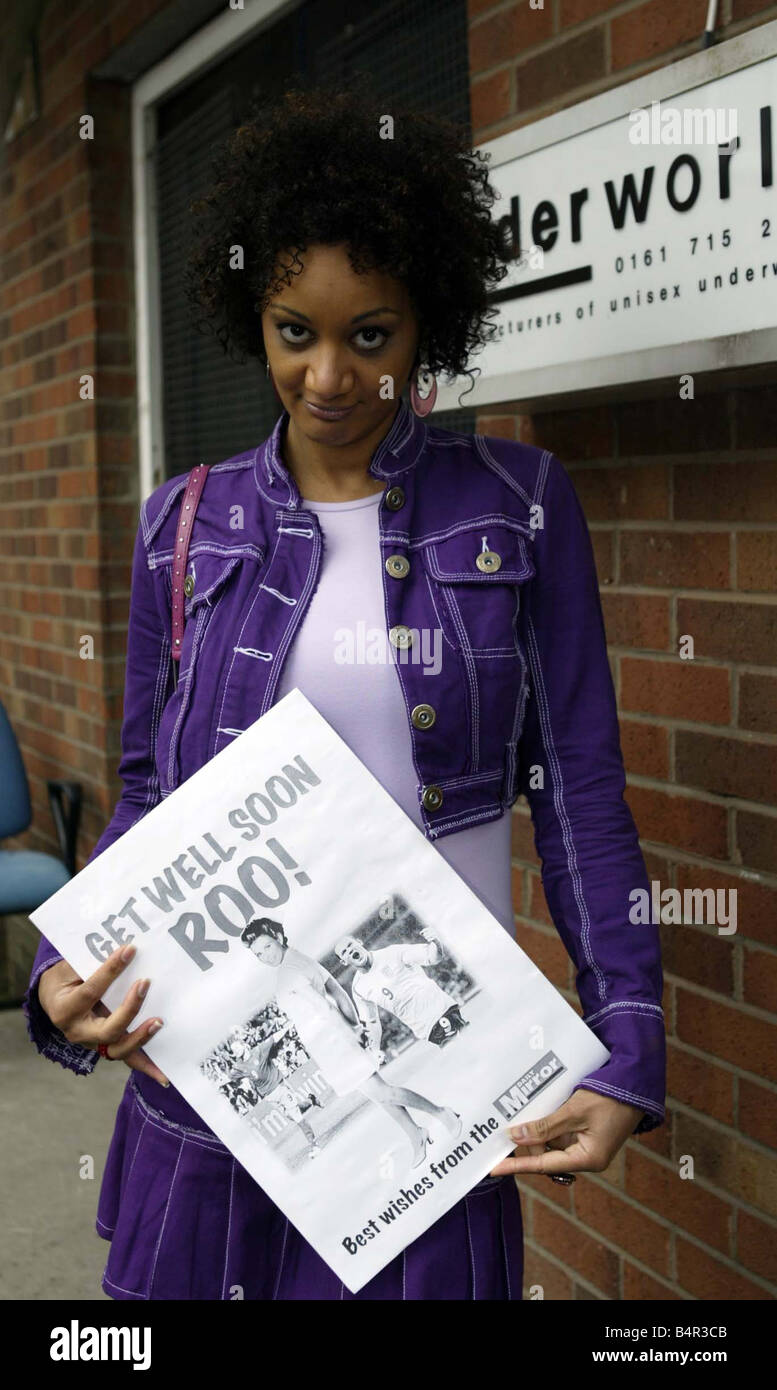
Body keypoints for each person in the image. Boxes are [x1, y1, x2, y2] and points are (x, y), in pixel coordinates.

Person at [24, 82, 665, 1301]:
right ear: (253, 322)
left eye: (369, 334)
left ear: (428, 325)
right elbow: (152, 795)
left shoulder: (519, 506)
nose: (328, 376)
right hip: (216, 1080)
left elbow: (579, 791)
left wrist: (624, 1035)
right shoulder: (185, 522)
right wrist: (66, 966)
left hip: (429, 1090)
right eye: (292, 331)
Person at [241, 918, 460, 1169]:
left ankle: (441, 1113)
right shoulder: (299, 960)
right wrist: (354, 1025)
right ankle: (415, 1134)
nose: (264, 956)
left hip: (336, 1042)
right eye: (258, 953)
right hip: (330, 1045)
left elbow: (324, 1007)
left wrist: (351, 1032)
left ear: (278, 937)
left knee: (383, 1093)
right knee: (378, 1096)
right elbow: (337, 991)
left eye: (266, 947)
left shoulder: (290, 971)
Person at [335, 928, 469, 1051]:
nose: (350, 950)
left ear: (359, 942)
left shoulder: (392, 953)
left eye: (350, 945)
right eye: (344, 952)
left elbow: (432, 957)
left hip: (441, 1011)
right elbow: (372, 1022)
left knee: (464, 1050)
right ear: (344, 961)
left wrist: (435, 941)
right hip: (426, 1031)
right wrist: (374, 1051)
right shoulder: (359, 988)